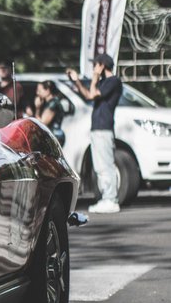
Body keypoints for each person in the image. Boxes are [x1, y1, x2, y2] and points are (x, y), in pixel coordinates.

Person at [67, 54, 123, 213]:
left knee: (106, 164)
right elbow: (87, 94)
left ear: (102, 65)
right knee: (100, 165)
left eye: (96, 65)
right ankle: (107, 198)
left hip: (104, 128)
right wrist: (76, 80)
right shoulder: (104, 83)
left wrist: (95, 78)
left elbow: (92, 94)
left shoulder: (113, 81)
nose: (93, 68)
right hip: (98, 128)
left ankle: (111, 199)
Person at [34, 79, 66, 146]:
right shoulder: (49, 103)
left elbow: (42, 123)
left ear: (48, 90)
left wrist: (37, 108)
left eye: (39, 90)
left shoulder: (53, 103)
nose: (37, 93)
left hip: (54, 137)